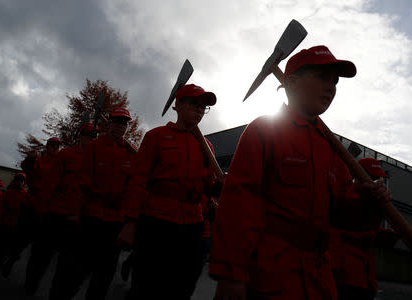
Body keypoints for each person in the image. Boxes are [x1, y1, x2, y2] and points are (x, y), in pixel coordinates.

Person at [209, 45, 392, 300]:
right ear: (292, 82)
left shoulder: (331, 147)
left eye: (335, 81)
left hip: (319, 281)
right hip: (268, 276)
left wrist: (368, 202)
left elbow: (342, 213)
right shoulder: (264, 130)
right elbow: (239, 206)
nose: (331, 87)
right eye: (322, 77)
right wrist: (231, 274)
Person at [118, 84, 218, 300]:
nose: (200, 110)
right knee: (146, 286)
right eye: (194, 104)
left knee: (181, 288)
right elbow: (139, 180)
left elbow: (209, 184)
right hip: (156, 222)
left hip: (193, 225)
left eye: (204, 107)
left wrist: (220, 185)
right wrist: (130, 222)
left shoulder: (206, 145)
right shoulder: (156, 136)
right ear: (178, 105)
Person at [74, 107, 137, 300]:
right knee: (77, 269)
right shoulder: (94, 147)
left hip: (115, 222)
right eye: (117, 122)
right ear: (109, 123)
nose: (120, 126)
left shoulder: (131, 153)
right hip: (91, 217)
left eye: (124, 123)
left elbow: (135, 187)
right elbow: (81, 182)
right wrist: (76, 214)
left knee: (105, 274)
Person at [330, 158, 399, 300]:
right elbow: (352, 223)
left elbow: (368, 233)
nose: (377, 182)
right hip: (345, 280)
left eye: (379, 178)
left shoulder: (373, 202)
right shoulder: (346, 198)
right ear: (356, 176)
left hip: (365, 280)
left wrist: (392, 236)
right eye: (372, 177)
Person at [46, 122, 100, 300]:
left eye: (96, 136)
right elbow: (52, 182)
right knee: (46, 254)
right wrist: (44, 208)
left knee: (73, 262)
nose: (93, 139)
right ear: (81, 136)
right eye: (89, 135)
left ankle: (64, 293)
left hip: (83, 216)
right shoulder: (66, 154)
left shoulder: (99, 157)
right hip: (59, 212)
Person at [21, 136, 61, 295]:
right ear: (47, 147)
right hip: (34, 205)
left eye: (57, 146)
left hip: (51, 210)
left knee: (45, 251)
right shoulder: (39, 160)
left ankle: (34, 281)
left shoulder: (61, 162)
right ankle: (29, 280)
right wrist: (30, 159)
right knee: (33, 245)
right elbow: (27, 168)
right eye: (51, 145)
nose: (54, 148)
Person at [1, 172, 28, 277]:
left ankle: (8, 263)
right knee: (4, 243)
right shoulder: (9, 191)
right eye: (18, 180)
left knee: (14, 247)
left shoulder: (25, 194)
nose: (20, 182)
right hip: (6, 221)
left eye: (22, 180)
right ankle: (2, 258)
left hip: (17, 224)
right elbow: (2, 204)